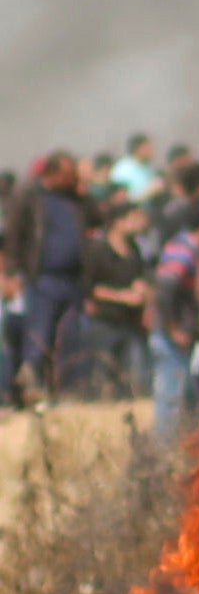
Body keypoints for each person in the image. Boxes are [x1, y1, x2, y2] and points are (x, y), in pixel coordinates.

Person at [6, 151, 90, 405]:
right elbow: (14, 236)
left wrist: (85, 188)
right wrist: (12, 273)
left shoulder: (76, 200)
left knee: (70, 338)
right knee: (40, 334)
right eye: (68, 174)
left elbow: (100, 218)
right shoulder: (30, 198)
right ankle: (32, 388)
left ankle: (66, 390)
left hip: (72, 281)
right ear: (52, 174)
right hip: (43, 279)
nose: (72, 178)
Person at [149, 197, 199, 438]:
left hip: (183, 335)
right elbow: (165, 288)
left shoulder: (198, 249)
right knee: (170, 398)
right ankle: (163, 455)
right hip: (170, 336)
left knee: (185, 395)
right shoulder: (183, 248)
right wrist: (173, 328)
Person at [81, 202, 153, 398]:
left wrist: (141, 289)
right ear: (118, 222)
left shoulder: (135, 249)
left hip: (130, 321)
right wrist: (122, 296)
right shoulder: (98, 249)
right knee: (104, 372)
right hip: (106, 320)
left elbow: (140, 276)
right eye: (133, 217)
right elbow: (90, 287)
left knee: (136, 375)